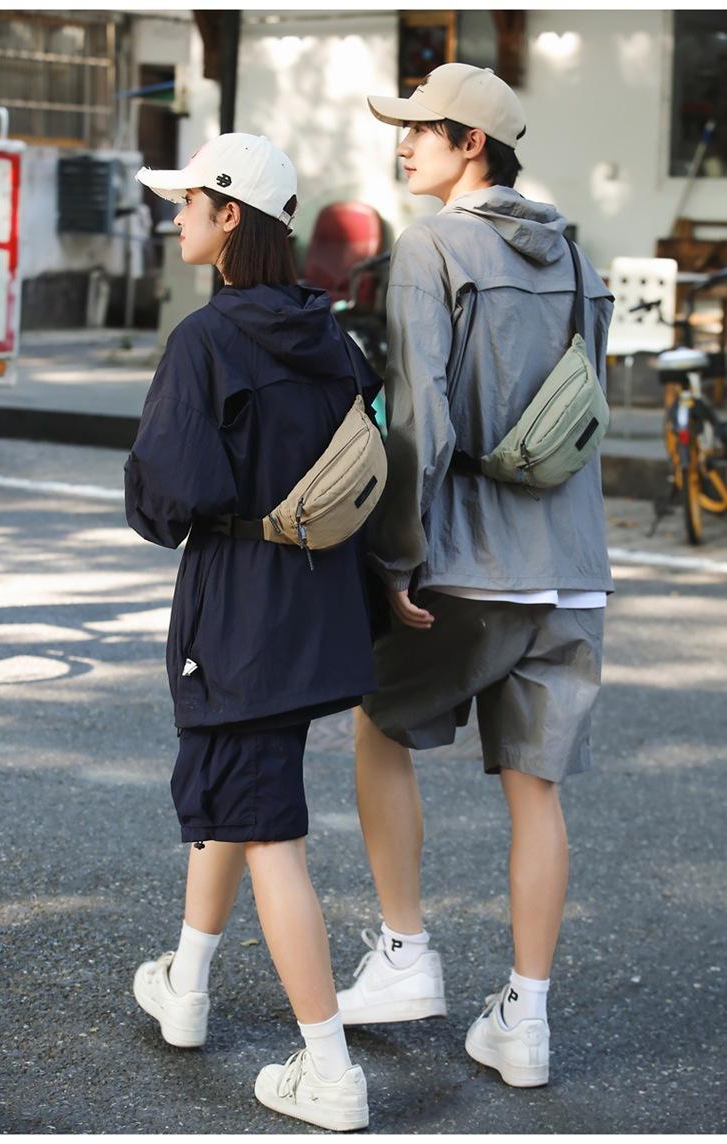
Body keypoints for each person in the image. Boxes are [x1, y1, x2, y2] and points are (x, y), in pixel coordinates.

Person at [336, 64, 614, 1088]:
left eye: (426, 129)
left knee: (378, 720)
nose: (405, 143)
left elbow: (422, 416)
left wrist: (395, 555)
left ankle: (405, 950)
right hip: (572, 571)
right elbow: (583, 410)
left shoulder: (433, 246)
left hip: (468, 562)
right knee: (537, 794)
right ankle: (524, 1022)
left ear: (474, 146)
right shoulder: (578, 256)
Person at [124, 133, 381, 1132]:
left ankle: (331, 1071)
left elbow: (167, 503)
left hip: (238, 610)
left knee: (267, 827)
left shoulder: (206, 340)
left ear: (230, 215)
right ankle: (187, 983)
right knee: (240, 782)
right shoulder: (334, 340)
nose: (176, 217)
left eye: (188, 202)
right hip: (318, 604)